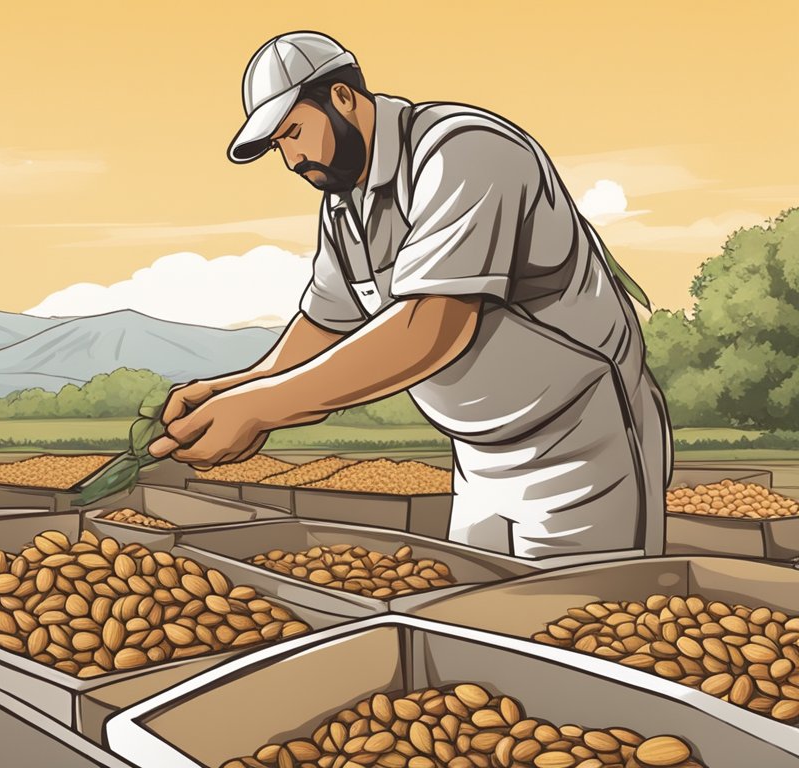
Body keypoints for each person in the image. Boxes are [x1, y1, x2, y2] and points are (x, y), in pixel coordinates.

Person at [147, 31, 672, 559]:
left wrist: (259, 408)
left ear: (343, 97)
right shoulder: (342, 204)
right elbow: (327, 325)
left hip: (582, 440)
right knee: (474, 618)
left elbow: (434, 325)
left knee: (581, 621)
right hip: (479, 455)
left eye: (294, 132)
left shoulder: (464, 151)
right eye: (281, 144)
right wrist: (238, 388)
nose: (291, 158)